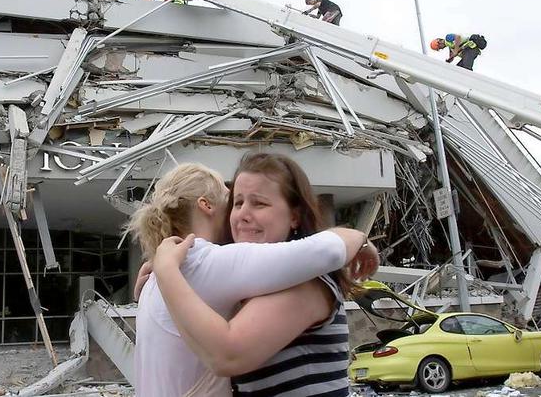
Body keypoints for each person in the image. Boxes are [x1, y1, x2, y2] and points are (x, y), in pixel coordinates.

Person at [127, 161, 379, 397]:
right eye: (235, 202)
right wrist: (357, 237)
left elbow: (326, 251)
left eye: (259, 203)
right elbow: (326, 250)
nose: (241, 215)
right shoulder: (204, 262)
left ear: (294, 215)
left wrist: (166, 272)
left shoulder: (176, 270)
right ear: (206, 205)